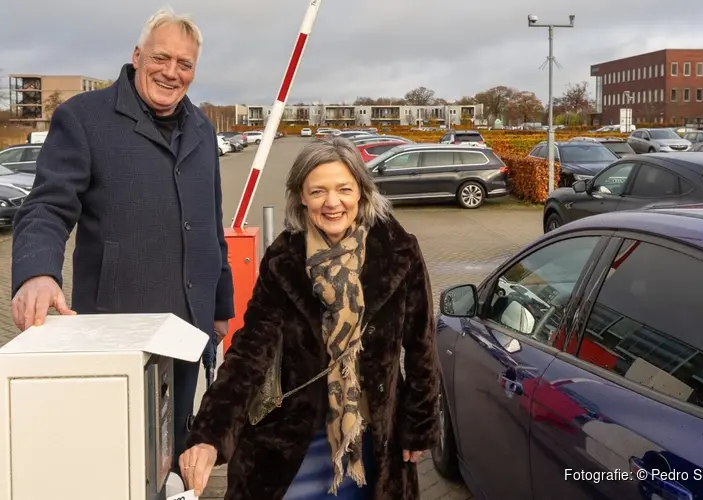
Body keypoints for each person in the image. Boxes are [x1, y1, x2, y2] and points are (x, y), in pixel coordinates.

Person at [9, 7, 234, 474]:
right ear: (137, 56)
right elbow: (48, 205)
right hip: (120, 332)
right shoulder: (84, 118)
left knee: (173, 455)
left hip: (190, 329)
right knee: (121, 462)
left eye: (185, 64)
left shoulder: (202, 128)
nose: (172, 73)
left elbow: (210, 225)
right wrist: (37, 272)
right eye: (162, 57)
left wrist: (220, 307)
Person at [180, 136, 441, 499]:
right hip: (292, 441)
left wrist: (420, 425)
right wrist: (209, 434)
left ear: (363, 193)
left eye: (344, 189)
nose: (332, 203)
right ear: (301, 197)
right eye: (317, 191)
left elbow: (421, 347)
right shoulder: (284, 259)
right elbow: (249, 353)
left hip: (374, 441)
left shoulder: (399, 250)